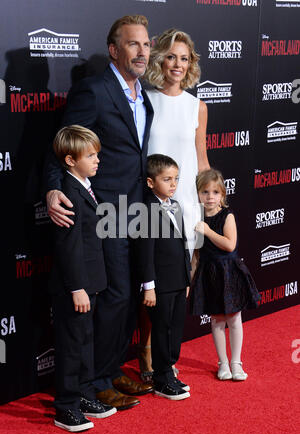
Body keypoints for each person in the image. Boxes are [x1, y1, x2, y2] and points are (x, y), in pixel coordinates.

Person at [43, 15, 154, 411]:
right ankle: (94, 382)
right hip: (103, 211)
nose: (142, 52)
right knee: (115, 294)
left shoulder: (145, 94)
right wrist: (54, 187)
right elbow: (64, 145)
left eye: (146, 44)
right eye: (133, 44)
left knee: (128, 297)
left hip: (137, 207)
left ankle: (109, 369)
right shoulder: (94, 89)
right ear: (114, 49)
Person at [138, 28, 210, 380]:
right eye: (170, 56)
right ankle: (146, 349)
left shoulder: (198, 106)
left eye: (184, 58)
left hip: (186, 206)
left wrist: (212, 202)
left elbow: (201, 158)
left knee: (177, 286)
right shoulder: (144, 99)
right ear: (158, 60)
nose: (177, 64)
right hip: (150, 205)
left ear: (191, 63)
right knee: (151, 283)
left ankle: (166, 353)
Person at [49, 125, 117, 432]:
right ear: (69, 160)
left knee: (87, 342)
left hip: (92, 282)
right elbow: (69, 246)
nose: (97, 160)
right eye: (90, 155)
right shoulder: (68, 193)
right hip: (75, 287)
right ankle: (65, 406)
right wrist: (77, 287)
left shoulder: (86, 185)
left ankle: (85, 394)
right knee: (72, 345)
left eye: (97, 154)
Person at [190, 168, 260, 381]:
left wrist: (208, 231)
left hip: (229, 271)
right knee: (217, 319)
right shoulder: (197, 218)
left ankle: (236, 362)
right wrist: (191, 279)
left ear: (223, 195)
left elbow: (230, 245)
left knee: (234, 317)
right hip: (208, 272)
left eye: (215, 192)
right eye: (205, 192)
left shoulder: (226, 216)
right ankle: (222, 363)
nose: (210, 197)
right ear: (198, 194)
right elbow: (196, 253)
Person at [135, 155, 191, 400]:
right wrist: (149, 286)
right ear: (150, 182)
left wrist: (187, 279)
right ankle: (160, 378)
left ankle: (169, 372)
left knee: (175, 328)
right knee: (162, 329)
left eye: (176, 179)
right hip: (160, 284)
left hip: (178, 280)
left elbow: (182, 244)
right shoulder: (146, 209)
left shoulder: (175, 205)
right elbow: (145, 251)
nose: (173, 184)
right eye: (167, 179)